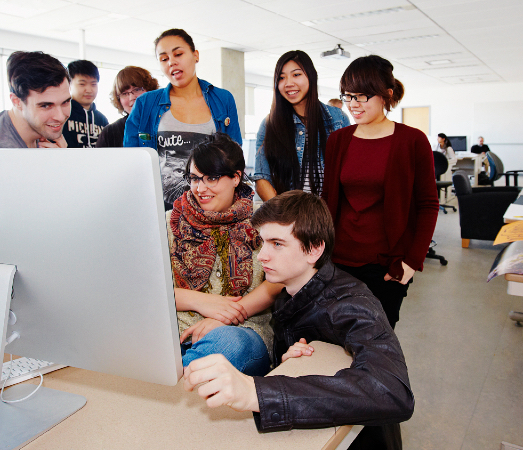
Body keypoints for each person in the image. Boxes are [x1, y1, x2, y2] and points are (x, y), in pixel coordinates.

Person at [182, 191, 414, 449]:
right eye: (262, 243)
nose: (262, 256)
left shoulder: (352, 303)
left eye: (277, 244)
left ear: (314, 249)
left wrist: (255, 392)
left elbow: (392, 391)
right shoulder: (289, 291)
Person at [322, 55, 440, 329]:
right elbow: (328, 200)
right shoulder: (339, 140)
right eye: (348, 95)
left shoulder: (412, 141)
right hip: (339, 261)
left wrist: (412, 263)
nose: (353, 104)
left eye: (362, 96)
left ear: (386, 95)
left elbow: (428, 205)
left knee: (376, 344)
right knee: (335, 338)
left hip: (388, 265)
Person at [170, 133, 282, 376]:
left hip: (244, 329)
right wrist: (200, 300)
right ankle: (183, 372)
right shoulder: (171, 220)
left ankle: (177, 376)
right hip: (175, 330)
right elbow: (146, 290)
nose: (200, 189)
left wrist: (226, 317)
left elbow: (279, 282)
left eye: (211, 178)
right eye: (194, 178)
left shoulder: (265, 220)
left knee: (231, 346)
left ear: (236, 177)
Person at [124, 28, 242, 210]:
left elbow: (234, 155)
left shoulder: (223, 99)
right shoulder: (145, 104)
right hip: (161, 207)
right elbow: (131, 159)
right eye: (164, 59)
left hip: (210, 207)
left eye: (178, 54)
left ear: (195, 55)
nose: (172, 62)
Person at [253, 51, 350, 201]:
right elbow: (261, 177)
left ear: (311, 76)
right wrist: (286, 216)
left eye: (296, 74)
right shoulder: (270, 124)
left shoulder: (338, 119)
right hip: (288, 217)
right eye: (281, 77)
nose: (288, 83)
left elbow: (347, 175)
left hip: (330, 217)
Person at [96, 66, 159, 148]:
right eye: (124, 94)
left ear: (150, 90)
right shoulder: (110, 132)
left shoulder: (165, 123)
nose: (132, 98)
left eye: (137, 90)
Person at [63, 60, 109, 148]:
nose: (89, 90)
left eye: (93, 84)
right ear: (69, 84)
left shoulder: (102, 120)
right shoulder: (63, 115)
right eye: (82, 84)